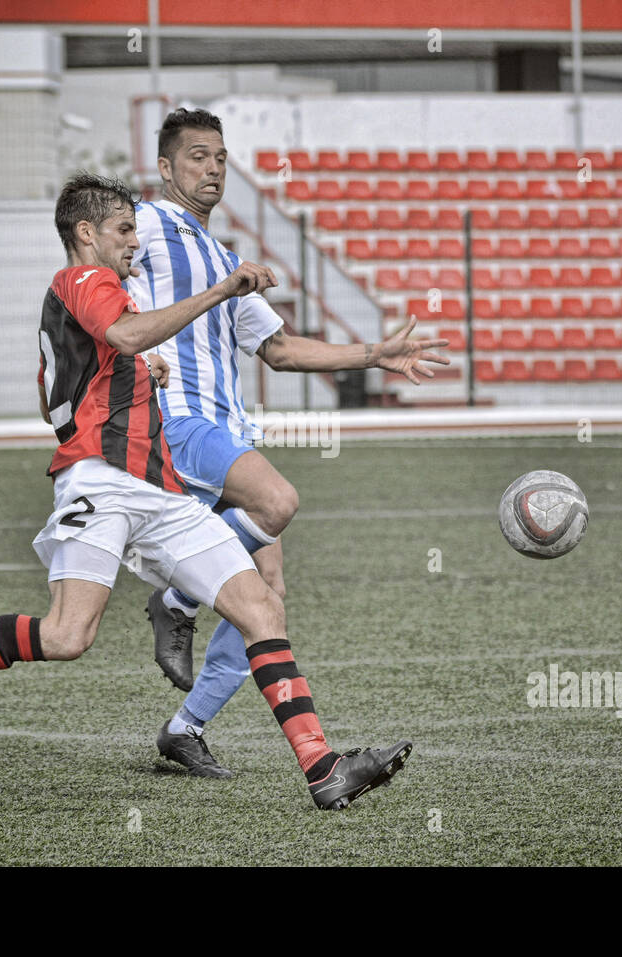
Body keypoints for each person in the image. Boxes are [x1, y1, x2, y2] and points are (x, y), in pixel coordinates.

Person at [0, 172, 412, 811]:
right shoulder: (84, 280)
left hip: (159, 490)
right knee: (66, 637)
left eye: (136, 228)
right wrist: (220, 291)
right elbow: (127, 335)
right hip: (101, 483)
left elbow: (101, 366)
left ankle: (322, 768)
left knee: (261, 610)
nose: (134, 240)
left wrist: (144, 372)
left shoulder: (103, 297)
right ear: (86, 233)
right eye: (122, 228)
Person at [128, 108, 448, 776]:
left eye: (219, 156)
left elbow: (277, 348)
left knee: (266, 600)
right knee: (275, 500)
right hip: (178, 423)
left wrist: (373, 355)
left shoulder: (222, 258)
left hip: (225, 427)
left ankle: (183, 730)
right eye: (196, 156)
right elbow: (101, 277)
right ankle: (177, 600)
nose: (212, 167)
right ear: (165, 168)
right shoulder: (148, 225)